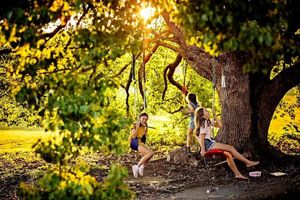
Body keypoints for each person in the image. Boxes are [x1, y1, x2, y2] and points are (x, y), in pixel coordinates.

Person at [194, 107, 260, 180]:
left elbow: (220, 125)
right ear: (202, 115)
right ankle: (248, 162)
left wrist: (215, 115)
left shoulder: (207, 121)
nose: (207, 112)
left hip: (209, 142)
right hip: (207, 143)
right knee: (230, 148)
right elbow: (202, 136)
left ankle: (238, 174)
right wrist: (203, 149)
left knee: (228, 154)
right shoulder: (204, 122)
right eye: (206, 111)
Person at [129, 112, 154, 178]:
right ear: (139, 118)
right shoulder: (135, 125)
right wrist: (137, 127)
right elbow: (133, 136)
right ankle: (136, 167)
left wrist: (147, 127)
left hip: (140, 142)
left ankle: (142, 167)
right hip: (134, 142)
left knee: (151, 154)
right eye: (143, 119)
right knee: (149, 153)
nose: (144, 120)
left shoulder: (143, 126)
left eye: (146, 119)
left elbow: (144, 136)